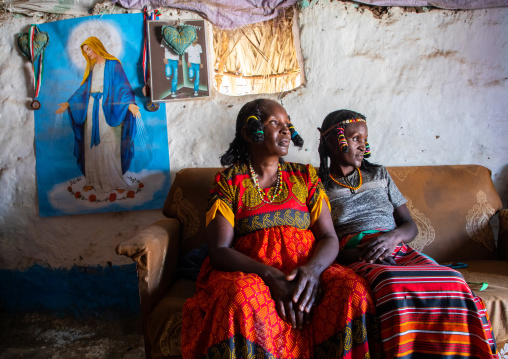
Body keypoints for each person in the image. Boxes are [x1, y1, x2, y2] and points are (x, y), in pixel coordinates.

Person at [181, 99, 381, 359]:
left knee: (352, 290)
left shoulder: (305, 177)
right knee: (240, 297)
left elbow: (329, 237)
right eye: (275, 123)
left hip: (306, 268)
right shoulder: (228, 182)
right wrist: (271, 276)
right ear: (249, 132)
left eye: (288, 124)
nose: (286, 130)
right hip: (253, 273)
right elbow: (219, 250)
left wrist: (313, 271)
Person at [318, 109, 498, 358]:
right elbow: (321, 239)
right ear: (332, 140)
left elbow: (409, 225)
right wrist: (357, 252)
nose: (363, 146)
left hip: (396, 247)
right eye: (356, 138)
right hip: (357, 253)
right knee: (393, 284)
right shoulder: (318, 185)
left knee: (453, 280)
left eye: (365, 140)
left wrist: (392, 238)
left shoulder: (379, 174)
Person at [55, 37, 140, 194]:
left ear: (96, 47)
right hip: (91, 108)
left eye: (88, 49)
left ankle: (115, 181)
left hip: (108, 110)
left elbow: (123, 87)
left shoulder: (113, 64)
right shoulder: (93, 67)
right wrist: (69, 103)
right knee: (91, 145)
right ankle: (93, 181)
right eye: (85, 50)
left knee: (109, 144)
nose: (87, 53)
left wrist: (130, 105)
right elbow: (84, 89)